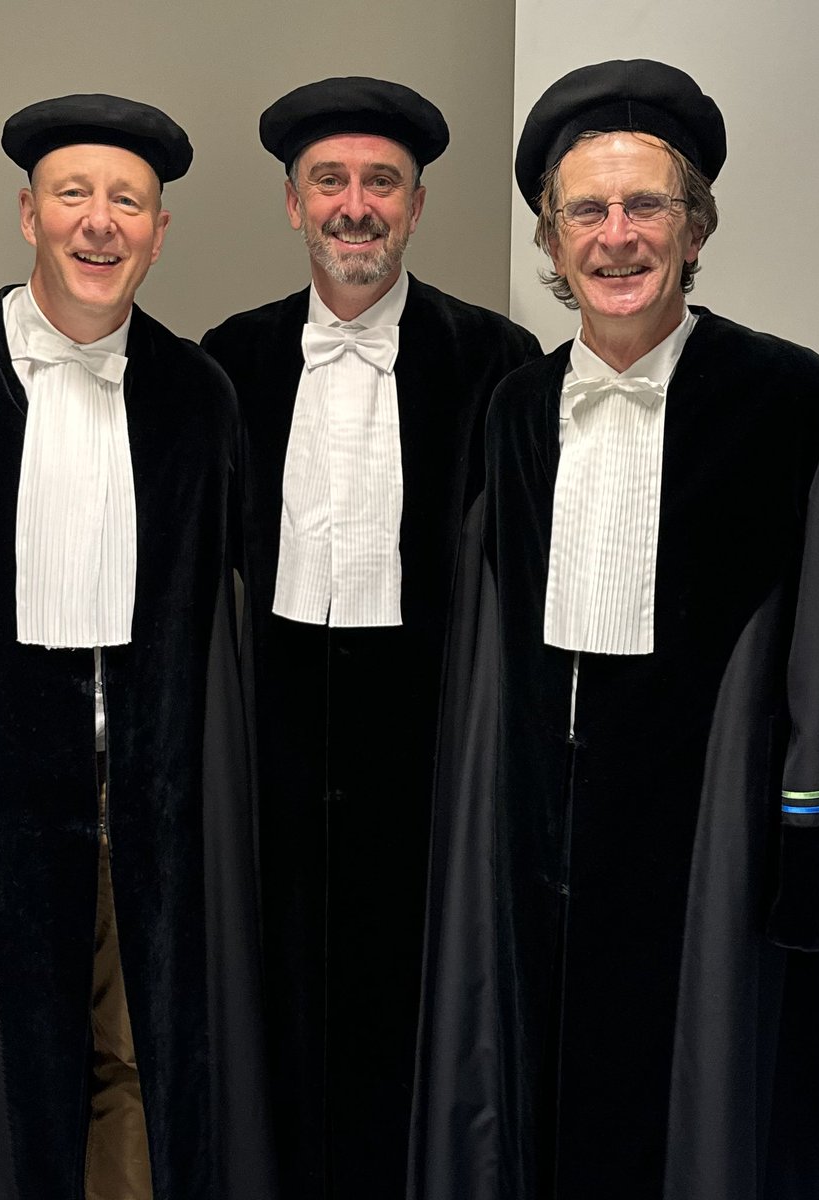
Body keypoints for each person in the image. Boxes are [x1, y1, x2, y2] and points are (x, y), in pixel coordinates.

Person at [412, 59, 819, 1200]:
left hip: (706, 858)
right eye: (587, 209)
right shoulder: (512, 408)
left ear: (692, 229)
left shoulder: (797, 404)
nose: (616, 237)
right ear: (553, 233)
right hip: (534, 850)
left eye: (645, 207)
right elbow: (484, 656)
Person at [0, 95, 270, 1200]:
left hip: (154, 805)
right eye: (74, 196)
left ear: (159, 232)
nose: (99, 224)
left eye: (128, 202)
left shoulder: (199, 396)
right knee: (6, 1075)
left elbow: (223, 597)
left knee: (143, 1068)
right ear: (28, 214)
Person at [202, 76, 540, 1200]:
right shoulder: (227, 362)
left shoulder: (496, 364)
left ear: (417, 204)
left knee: (419, 1016)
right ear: (294, 205)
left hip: (427, 745)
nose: (356, 205)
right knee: (272, 1014)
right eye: (330, 182)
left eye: (380, 183)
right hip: (273, 748)